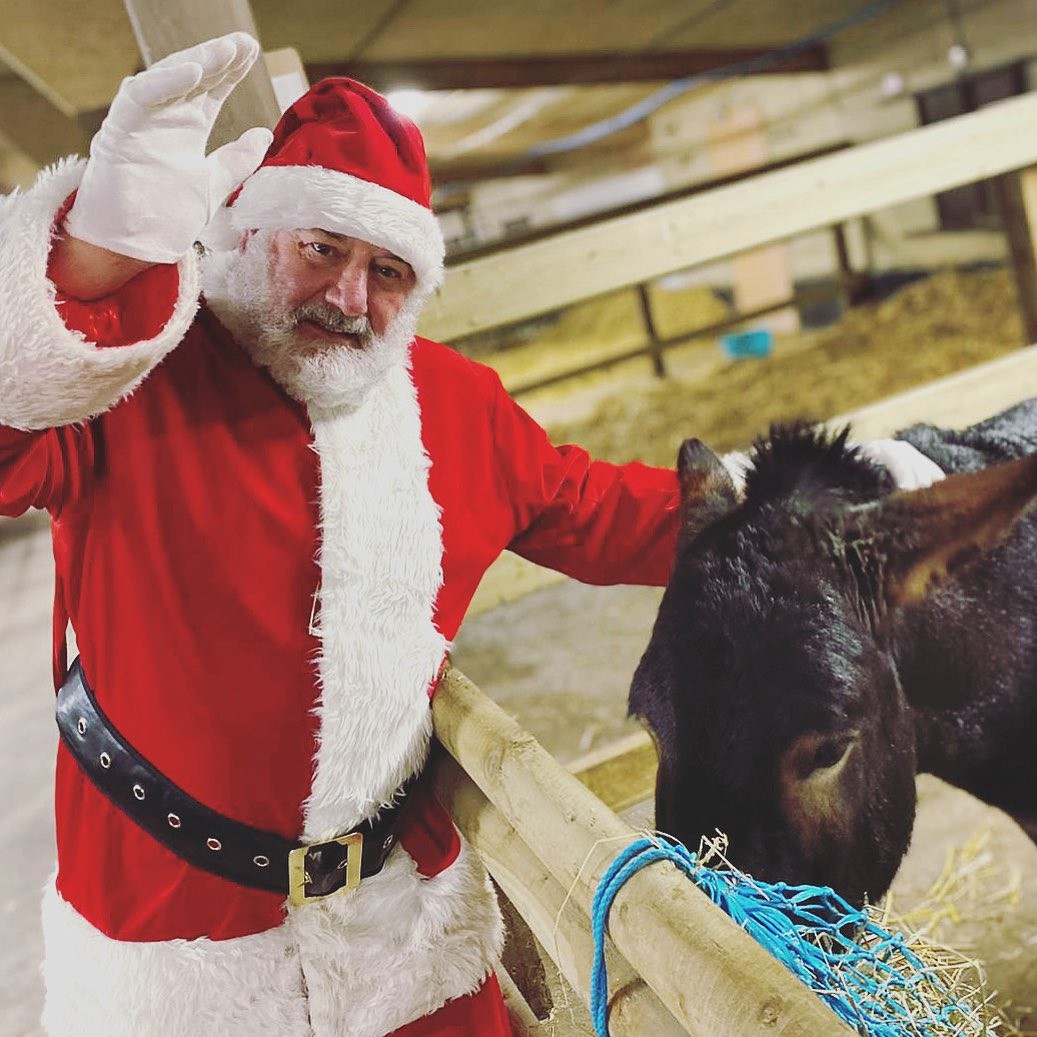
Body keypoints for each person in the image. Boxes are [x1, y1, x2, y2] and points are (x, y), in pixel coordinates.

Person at [0, 33, 943, 1037]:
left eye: (388, 269)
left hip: (396, 926)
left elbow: (614, 513)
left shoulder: (455, 409)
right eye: (320, 247)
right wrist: (90, 268)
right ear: (249, 231)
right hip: (164, 924)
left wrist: (835, 490)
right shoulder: (137, 375)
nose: (350, 298)